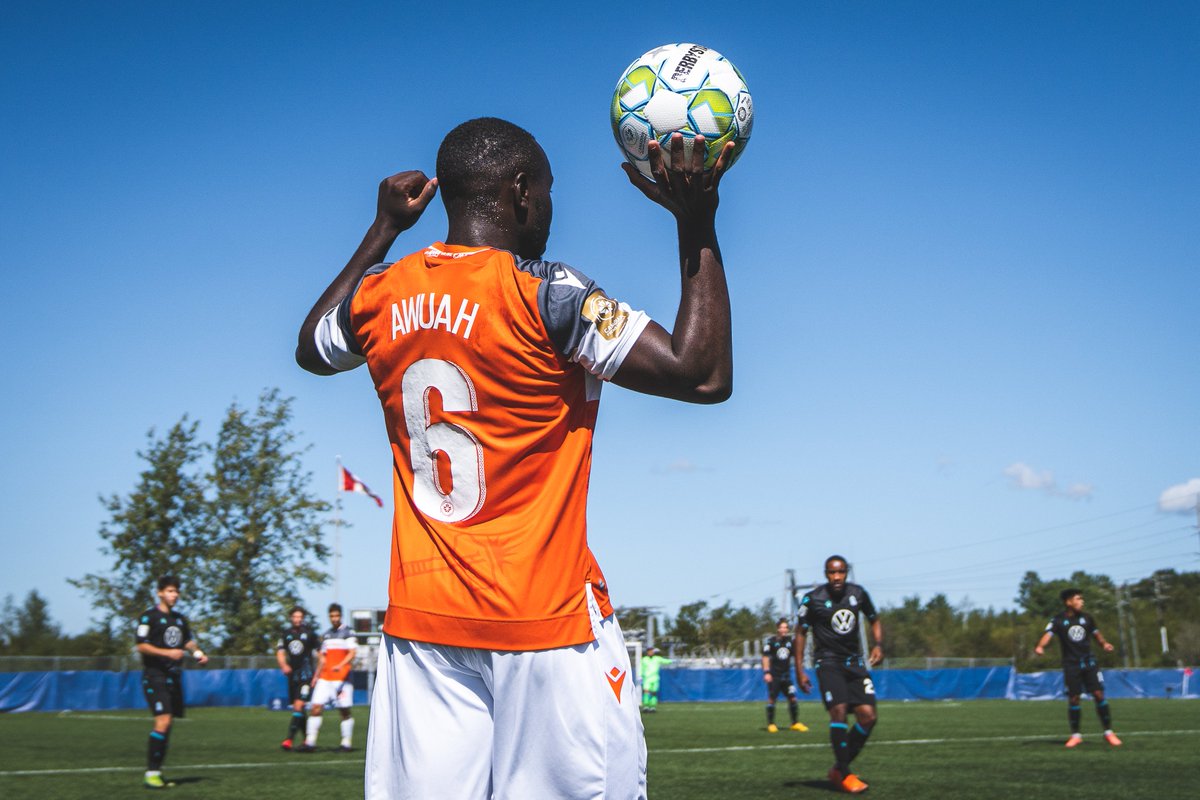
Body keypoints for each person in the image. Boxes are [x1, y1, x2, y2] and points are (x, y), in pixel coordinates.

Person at [296, 116, 734, 799]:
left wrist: (383, 230)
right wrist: (697, 221)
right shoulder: (548, 294)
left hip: (423, 628)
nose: (553, 209)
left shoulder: (382, 296)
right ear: (523, 191)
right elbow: (702, 374)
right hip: (546, 624)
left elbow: (312, 347)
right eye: (551, 192)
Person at [794, 556, 882, 795]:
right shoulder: (812, 599)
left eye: (841, 572)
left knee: (868, 716)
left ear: (846, 573)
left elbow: (874, 619)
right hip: (828, 662)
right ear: (826, 574)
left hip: (854, 664)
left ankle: (837, 768)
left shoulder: (858, 593)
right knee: (839, 709)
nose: (837, 577)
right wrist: (800, 670)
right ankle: (844, 772)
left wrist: (878, 645)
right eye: (832, 573)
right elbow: (800, 633)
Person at [134, 575, 207, 790]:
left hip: (173, 677)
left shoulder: (180, 619)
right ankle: (152, 774)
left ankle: (156, 772)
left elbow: (187, 640)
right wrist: (168, 653)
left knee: (168, 724)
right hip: (154, 675)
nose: (173, 595)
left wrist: (197, 652)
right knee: (163, 721)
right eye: (169, 591)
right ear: (159, 593)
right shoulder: (148, 617)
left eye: (176, 591)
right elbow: (141, 645)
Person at [1033, 587, 1121, 748]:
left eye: (1082, 598)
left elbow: (1097, 635)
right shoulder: (1058, 620)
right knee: (1074, 698)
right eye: (1078, 599)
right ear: (1068, 602)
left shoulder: (1087, 618)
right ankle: (1076, 735)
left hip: (1090, 663)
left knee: (1099, 694)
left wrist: (1104, 644)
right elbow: (1048, 634)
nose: (1082, 601)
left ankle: (1108, 732)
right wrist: (1040, 647)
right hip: (1071, 665)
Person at [300, 603, 358, 752]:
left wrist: (341, 665)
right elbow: (323, 658)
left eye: (337, 615)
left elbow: (352, 653)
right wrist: (316, 676)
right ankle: (310, 742)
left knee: (344, 710)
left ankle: (346, 743)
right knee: (315, 707)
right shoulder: (326, 635)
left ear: (341, 616)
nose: (334, 618)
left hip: (342, 679)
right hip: (325, 678)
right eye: (332, 616)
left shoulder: (348, 633)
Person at [276, 605, 319, 751]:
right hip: (292, 675)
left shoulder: (310, 634)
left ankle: (289, 739)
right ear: (291, 618)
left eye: (300, 617)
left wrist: (317, 674)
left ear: (303, 618)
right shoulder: (286, 634)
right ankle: (308, 739)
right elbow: (280, 652)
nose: (297, 619)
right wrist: (283, 665)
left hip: (306, 674)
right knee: (298, 709)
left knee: (299, 706)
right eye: (295, 617)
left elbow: (320, 654)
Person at [762, 617, 808, 733]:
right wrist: (767, 672)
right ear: (778, 629)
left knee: (793, 698)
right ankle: (771, 724)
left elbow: (797, 655)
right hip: (774, 675)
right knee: (772, 699)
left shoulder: (790, 642)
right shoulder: (771, 641)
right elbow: (765, 657)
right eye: (782, 627)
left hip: (786, 676)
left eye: (786, 627)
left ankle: (795, 723)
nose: (784, 629)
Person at [639, 646, 672, 713]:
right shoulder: (644, 659)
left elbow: (665, 661)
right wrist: (640, 676)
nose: (651, 652)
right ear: (647, 652)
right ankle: (646, 706)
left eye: (652, 651)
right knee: (646, 692)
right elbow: (640, 668)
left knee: (654, 693)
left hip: (655, 678)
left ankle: (652, 707)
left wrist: (673, 661)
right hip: (647, 678)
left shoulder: (657, 658)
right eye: (649, 651)